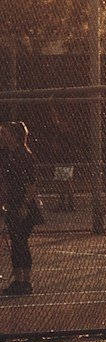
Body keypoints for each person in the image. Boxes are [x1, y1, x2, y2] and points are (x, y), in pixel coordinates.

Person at [2, 119, 43, 297]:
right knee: (17, 242)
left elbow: (30, 184)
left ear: (15, 136)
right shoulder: (9, 155)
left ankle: (25, 281)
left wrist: (25, 205)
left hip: (25, 206)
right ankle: (19, 281)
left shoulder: (23, 155)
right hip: (13, 204)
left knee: (20, 242)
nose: (3, 137)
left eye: (6, 134)